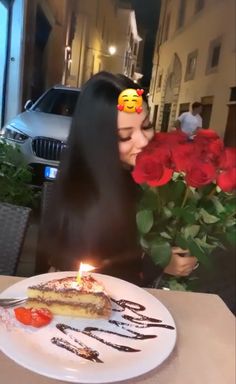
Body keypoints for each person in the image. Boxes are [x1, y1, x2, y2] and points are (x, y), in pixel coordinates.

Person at [36, 71, 197, 286]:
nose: (142, 141)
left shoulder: (127, 173)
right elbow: (98, 280)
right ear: (98, 139)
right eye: (125, 135)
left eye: (146, 125)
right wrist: (160, 263)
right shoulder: (86, 201)